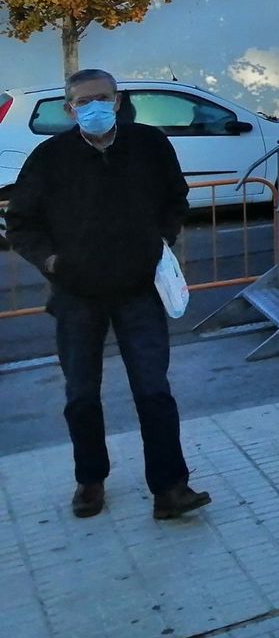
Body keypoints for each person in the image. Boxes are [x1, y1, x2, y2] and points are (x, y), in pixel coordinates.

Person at [8, 69, 212, 521]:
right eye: (83, 101)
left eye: (102, 98)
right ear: (70, 109)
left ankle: (170, 488)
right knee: (81, 394)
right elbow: (21, 222)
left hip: (139, 291)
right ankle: (90, 480)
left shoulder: (150, 145)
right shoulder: (49, 158)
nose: (94, 107)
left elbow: (175, 198)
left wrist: (157, 240)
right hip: (77, 295)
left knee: (154, 392)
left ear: (117, 101)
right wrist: (52, 261)